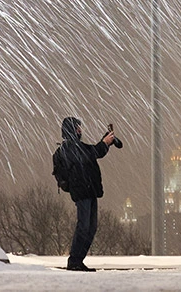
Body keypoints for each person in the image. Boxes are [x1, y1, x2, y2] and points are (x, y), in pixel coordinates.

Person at [58, 116, 116, 272]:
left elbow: (93, 152)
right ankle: (74, 261)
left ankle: (78, 260)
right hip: (82, 192)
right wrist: (104, 143)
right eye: (77, 128)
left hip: (89, 191)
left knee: (91, 227)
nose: (80, 130)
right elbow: (92, 153)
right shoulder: (69, 148)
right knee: (84, 226)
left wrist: (105, 143)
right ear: (71, 129)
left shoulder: (77, 147)